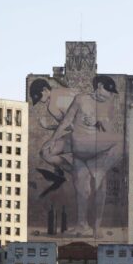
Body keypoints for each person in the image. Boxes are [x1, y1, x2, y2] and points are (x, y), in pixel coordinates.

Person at [46, 75, 122, 237]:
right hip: (79, 149)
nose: (109, 95)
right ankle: (82, 225)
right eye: (108, 91)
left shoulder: (107, 105)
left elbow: (109, 132)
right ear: (100, 86)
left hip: (97, 152)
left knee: (100, 188)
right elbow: (66, 121)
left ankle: (97, 227)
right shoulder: (80, 99)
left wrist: (97, 122)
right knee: (82, 191)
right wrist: (52, 139)